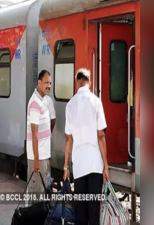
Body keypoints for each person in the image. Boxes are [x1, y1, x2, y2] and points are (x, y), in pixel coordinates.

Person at [63, 68, 110, 225]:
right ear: (90, 82)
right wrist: (106, 166)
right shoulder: (96, 102)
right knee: (93, 208)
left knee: (80, 209)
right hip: (95, 164)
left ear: (77, 82)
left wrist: (65, 167)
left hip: (79, 165)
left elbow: (68, 138)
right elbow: (101, 135)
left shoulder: (70, 105)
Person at [26, 70, 52, 198]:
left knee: (42, 193)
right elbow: (34, 133)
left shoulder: (43, 101)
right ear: (39, 82)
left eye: (50, 83)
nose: (49, 86)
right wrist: (36, 160)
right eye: (46, 82)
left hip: (43, 156)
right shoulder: (35, 103)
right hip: (38, 157)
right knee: (36, 195)